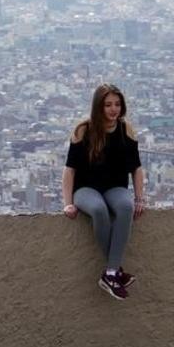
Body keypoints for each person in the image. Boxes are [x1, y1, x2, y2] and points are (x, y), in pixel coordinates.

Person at [62, 83, 145, 300]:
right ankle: (114, 271)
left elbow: (137, 168)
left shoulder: (126, 130)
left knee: (125, 207)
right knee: (98, 210)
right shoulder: (83, 130)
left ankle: (110, 273)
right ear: (98, 106)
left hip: (115, 187)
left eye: (117, 104)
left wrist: (139, 198)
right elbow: (69, 170)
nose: (113, 109)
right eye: (108, 104)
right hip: (86, 189)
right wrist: (67, 202)